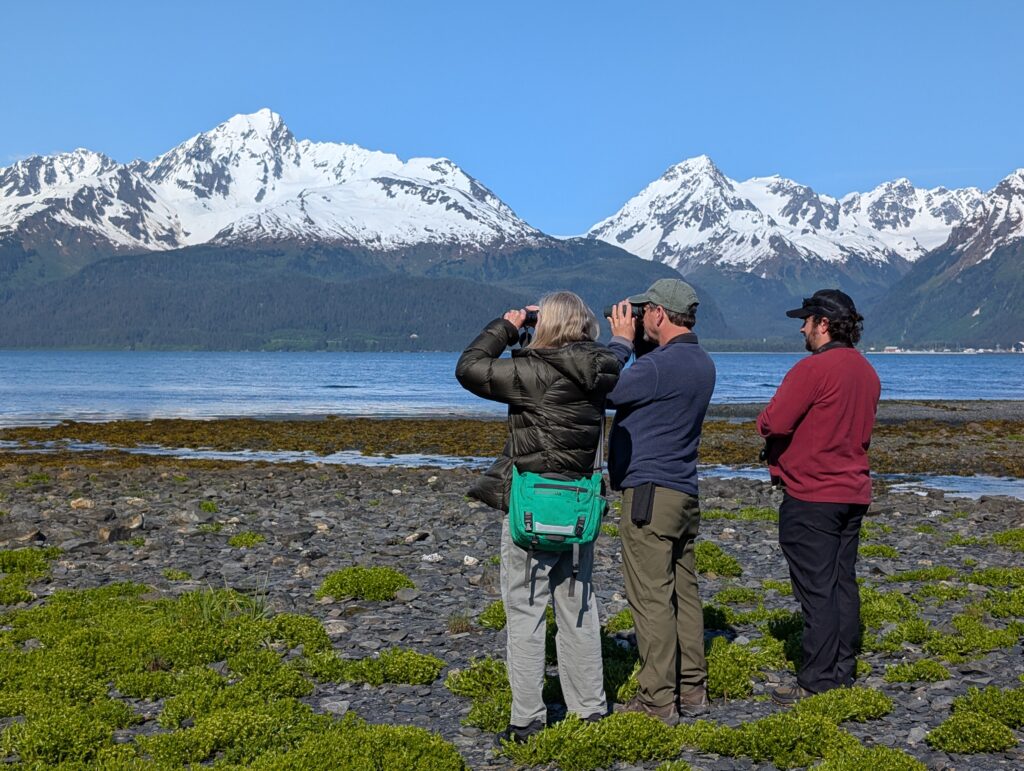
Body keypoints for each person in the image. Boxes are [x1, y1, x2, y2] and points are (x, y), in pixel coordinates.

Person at [455, 291, 620, 743]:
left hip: (530, 507)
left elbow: (469, 368)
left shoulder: (532, 372)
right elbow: (617, 352)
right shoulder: (602, 371)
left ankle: (527, 718)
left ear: (546, 325)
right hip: (578, 510)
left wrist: (508, 325)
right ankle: (589, 710)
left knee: (526, 613)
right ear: (585, 326)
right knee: (579, 608)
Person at [756, 289, 881, 705]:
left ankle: (817, 680)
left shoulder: (813, 370)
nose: (802, 327)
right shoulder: (866, 371)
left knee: (817, 589)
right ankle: (841, 670)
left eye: (807, 320)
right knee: (842, 582)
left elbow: (774, 421)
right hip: (852, 489)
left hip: (812, 493)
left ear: (823, 324)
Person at [605, 278, 716, 725]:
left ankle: (656, 700)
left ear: (658, 314)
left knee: (651, 597)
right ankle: (692, 690)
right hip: (684, 491)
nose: (637, 318)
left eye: (643, 311)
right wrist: (643, 344)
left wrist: (618, 343)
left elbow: (605, 391)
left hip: (649, 493)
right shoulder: (701, 363)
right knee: (684, 594)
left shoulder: (655, 368)